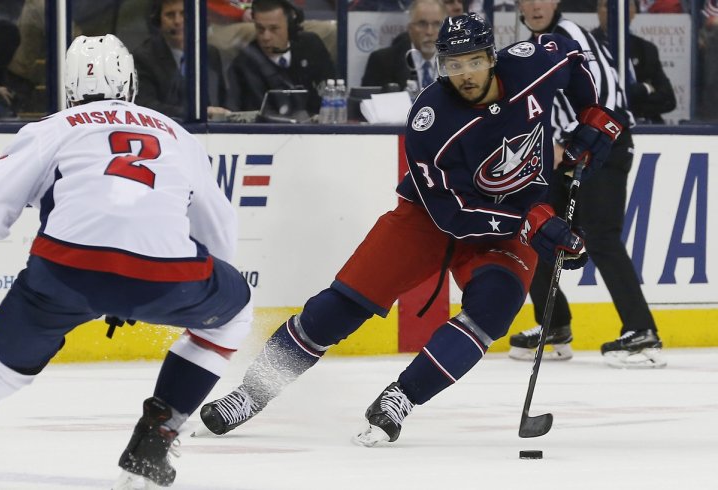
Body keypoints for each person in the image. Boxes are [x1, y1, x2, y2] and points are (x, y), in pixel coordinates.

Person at [0, 34, 253, 490]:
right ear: (131, 82)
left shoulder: (54, 128)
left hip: (63, 272)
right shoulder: (177, 134)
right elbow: (217, 228)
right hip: (168, 274)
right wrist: (183, 292)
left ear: (70, 89)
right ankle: (158, 433)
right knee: (231, 316)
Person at [199, 13, 620, 445]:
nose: (465, 75)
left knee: (493, 309)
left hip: (517, 222)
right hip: (431, 220)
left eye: (473, 61)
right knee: (339, 308)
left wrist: (592, 113)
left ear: (492, 57)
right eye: (452, 65)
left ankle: (401, 397)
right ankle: (251, 393)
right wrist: (531, 224)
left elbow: (575, 58)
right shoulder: (430, 118)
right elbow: (453, 215)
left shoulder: (531, 62)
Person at [509, 0, 665, 368]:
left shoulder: (568, 35)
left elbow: (606, 93)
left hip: (603, 144)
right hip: (571, 150)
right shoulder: (537, 43)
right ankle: (555, 326)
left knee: (601, 236)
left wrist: (575, 140)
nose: (533, 5)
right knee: (538, 227)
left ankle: (643, 333)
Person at [226, 0, 336, 114]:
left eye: (274, 29)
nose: (266, 37)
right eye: (260, 29)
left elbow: (333, 95)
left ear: (290, 26)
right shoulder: (243, 66)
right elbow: (235, 115)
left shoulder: (312, 46)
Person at [134, 0, 231, 120]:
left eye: (184, 14)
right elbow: (146, 106)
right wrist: (197, 113)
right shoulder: (144, 58)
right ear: (158, 20)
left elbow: (222, 99)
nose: (177, 21)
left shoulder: (210, 53)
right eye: (170, 15)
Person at [592, 0, 676, 124]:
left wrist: (629, 108)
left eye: (622, 6)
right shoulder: (587, 46)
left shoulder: (646, 49)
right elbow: (596, 98)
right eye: (607, 6)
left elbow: (668, 100)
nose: (614, 10)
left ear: (633, 12)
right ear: (598, 12)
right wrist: (644, 89)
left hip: (647, 127)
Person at [361, 0, 446, 92]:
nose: (429, 32)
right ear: (410, 29)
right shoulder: (381, 62)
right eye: (422, 24)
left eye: (437, 24)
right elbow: (366, 103)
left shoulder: (456, 62)